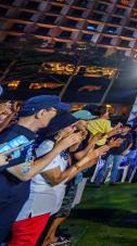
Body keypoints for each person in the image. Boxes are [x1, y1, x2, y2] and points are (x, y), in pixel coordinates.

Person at [11, 113, 107, 246]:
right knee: (24, 242)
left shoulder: (60, 146)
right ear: (59, 128)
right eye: (72, 126)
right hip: (35, 206)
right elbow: (56, 179)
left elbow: (66, 169)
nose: (75, 130)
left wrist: (81, 143)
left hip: (47, 205)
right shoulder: (47, 146)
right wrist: (85, 161)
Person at [0, 96, 80, 242]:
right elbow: (25, 173)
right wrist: (59, 148)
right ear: (41, 112)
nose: (56, 116)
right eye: (55, 111)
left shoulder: (26, 136)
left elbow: (26, 167)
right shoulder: (17, 137)